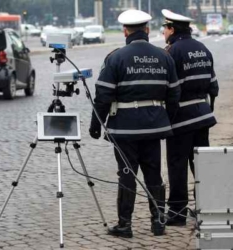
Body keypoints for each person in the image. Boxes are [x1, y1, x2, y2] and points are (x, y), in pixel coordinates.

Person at [89, 9, 181, 238]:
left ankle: (125, 225)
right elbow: (174, 94)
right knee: (154, 175)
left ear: (124, 31)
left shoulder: (116, 57)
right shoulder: (164, 56)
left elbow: (103, 95)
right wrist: (165, 119)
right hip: (154, 127)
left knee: (127, 174)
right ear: (147, 30)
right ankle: (158, 223)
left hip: (124, 128)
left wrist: (96, 123)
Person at [161, 9, 219, 226]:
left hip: (181, 120)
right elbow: (214, 86)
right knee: (201, 166)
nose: (164, 32)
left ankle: (177, 214)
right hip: (203, 116)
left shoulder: (172, 51)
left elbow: (169, 89)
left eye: (165, 28)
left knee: (177, 166)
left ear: (172, 29)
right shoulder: (203, 49)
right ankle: (209, 207)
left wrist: (167, 115)